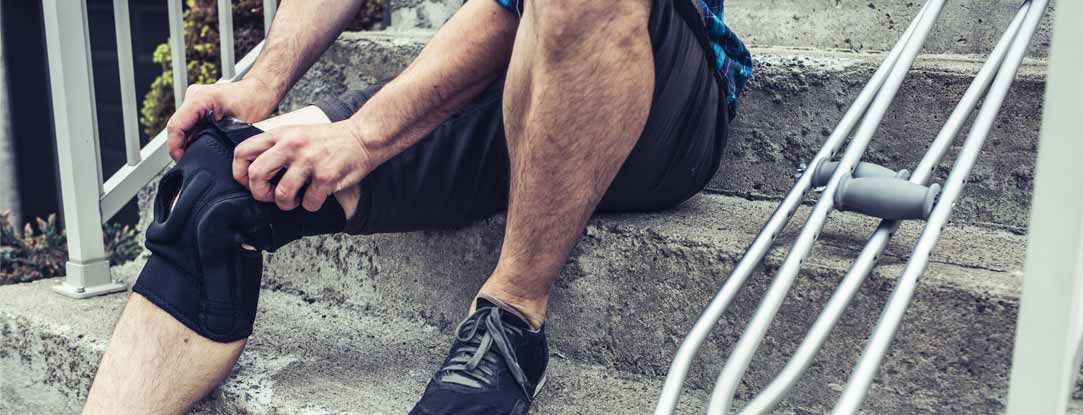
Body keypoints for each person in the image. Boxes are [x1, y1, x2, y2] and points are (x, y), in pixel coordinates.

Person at [82, 0, 751, 413]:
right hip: (508, 75)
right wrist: (261, 83)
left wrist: (364, 136)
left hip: (654, 88)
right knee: (220, 182)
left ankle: (511, 313)